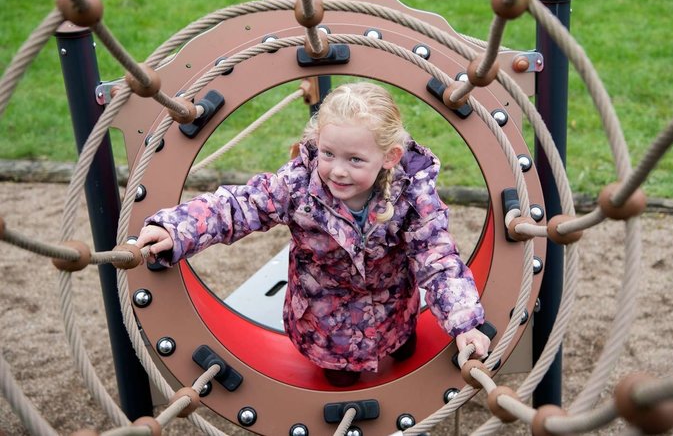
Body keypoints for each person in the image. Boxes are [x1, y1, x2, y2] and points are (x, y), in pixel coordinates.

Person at [135, 81, 490, 387]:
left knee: (405, 349)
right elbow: (239, 206)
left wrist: (465, 323)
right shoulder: (299, 186)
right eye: (328, 153)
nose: (337, 171)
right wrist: (176, 229)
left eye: (354, 160)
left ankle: (399, 343)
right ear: (317, 142)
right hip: (324, 323)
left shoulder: (412, 194)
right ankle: (345, 375)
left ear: (390, 156)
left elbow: (438, 258)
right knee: (340, 380)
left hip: (393, 307)